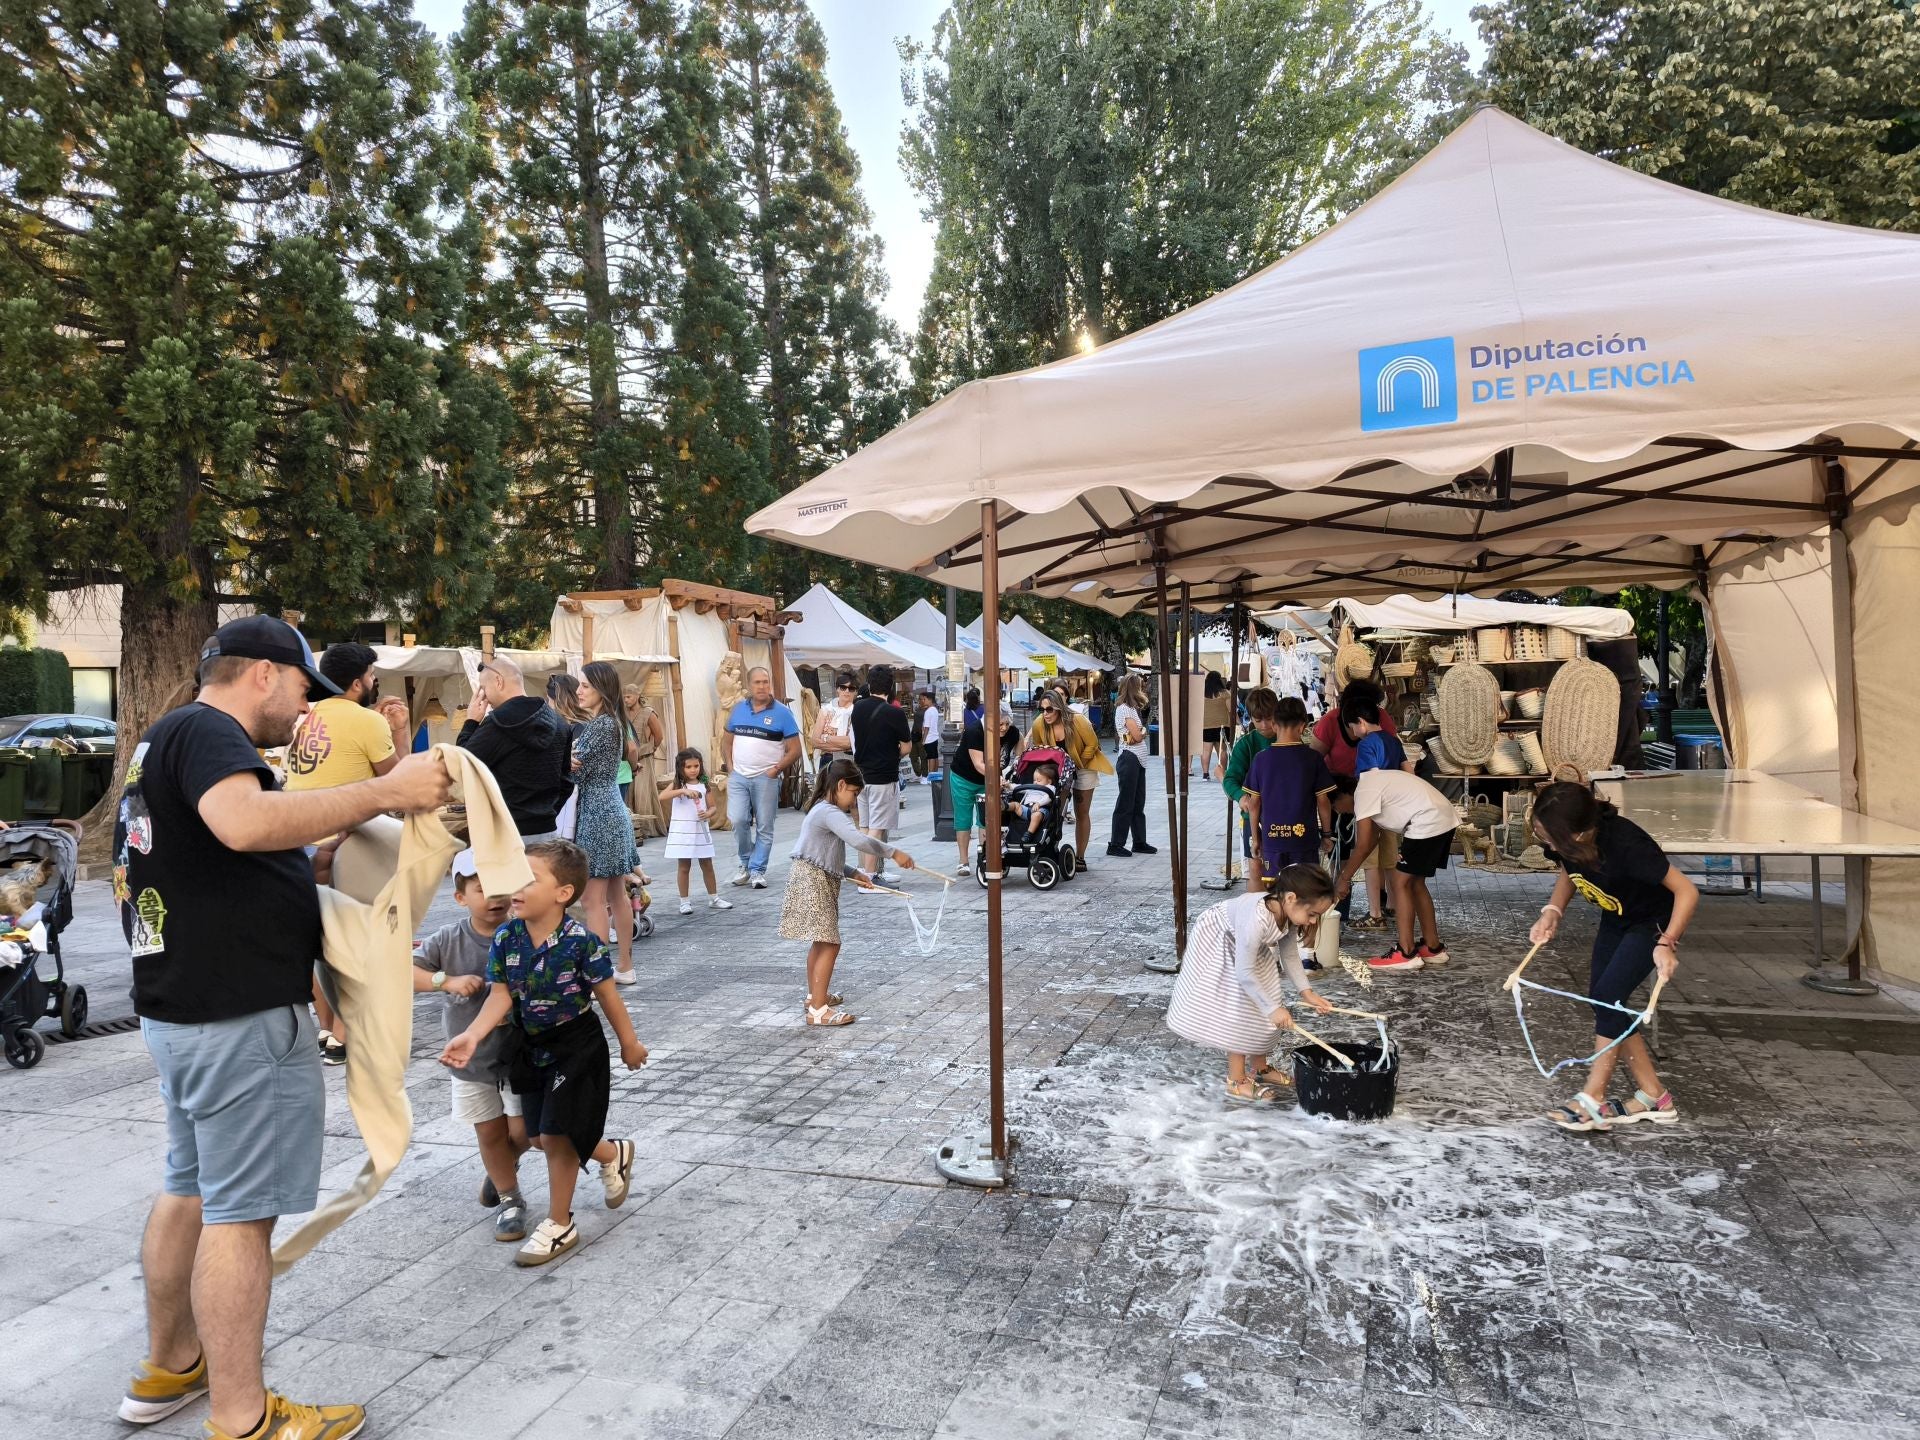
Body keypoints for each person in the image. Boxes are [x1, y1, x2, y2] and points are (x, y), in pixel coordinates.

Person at [116, 615, 450, 1437]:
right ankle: (243, 1417)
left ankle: (170, 1366)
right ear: (263, 673)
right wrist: (384, 792)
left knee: (191, 1189)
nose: (306, 708)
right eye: (304, 688)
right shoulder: (211, 732)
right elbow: (243, 823)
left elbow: (230, 843)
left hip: (186, 1010)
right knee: (239, 1214)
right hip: (238, 1018)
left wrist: (325, 841)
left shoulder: (166, 737)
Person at [439, 840, 648, 1266]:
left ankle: (560, 1222)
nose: (514, 888)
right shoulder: (506, 937)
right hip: (529, 1045)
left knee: (556, 1136)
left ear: (562, 893)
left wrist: (629, 1042)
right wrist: (473, 1035)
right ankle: (613, 1153)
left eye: (529, 880)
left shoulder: (582, 942)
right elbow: (500, 995)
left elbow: (608, 996)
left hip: (576, 1045)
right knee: (536, 1137)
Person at [1528, 781, 1695, 1132]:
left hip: (1652, 923)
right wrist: (1553, 910)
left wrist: (1667, 942)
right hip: (1617, 917)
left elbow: (1686, 891)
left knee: (1608, 997)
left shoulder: (1626, 844)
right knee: (1604, 1001)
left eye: (1551, 838)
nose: (1547, 844)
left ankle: (1593, 1097)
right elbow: (1569, 868)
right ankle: (1654, 1095)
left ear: (1581, 833)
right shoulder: (1565, 840)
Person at [413, 850, 530, 1243]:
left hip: (520, 1056)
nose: (494, 898)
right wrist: (444, 981)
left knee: (525, 1131)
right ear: (460, 897)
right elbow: (404, 970)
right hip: (471, 1060)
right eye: (482, 889)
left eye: (501, 888)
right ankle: (510, 1198)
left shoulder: (525, 933)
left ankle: (504, 1164)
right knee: (489, 1132)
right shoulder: (448, 939)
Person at [1165, 866, 1337, 1102]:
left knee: (1268, 994)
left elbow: (1289, 956)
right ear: (1290, 898)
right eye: (1313, 914)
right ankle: (1236, 1080)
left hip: (1245, 946)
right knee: (1242, 1006)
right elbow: (1244, 972)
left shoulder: (1287, 913)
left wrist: (1306, 993)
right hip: (1219, 938)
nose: (1313, 920)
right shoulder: (1258, 918)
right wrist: (1271, 1009)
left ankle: (1260, 1068)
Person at [780, 758, 917, 1027]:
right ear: (841, 785)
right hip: (813, 882)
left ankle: (815, 996)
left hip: (812, 878)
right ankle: (818, 1011)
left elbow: (823, 855)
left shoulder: (822, 810)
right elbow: (858, 840)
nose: (854, 801)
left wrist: (854, 873)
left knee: (822, 940)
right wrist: (893, 852)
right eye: (854, 793)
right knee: (830, 942)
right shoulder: (829, 812)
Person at [1329, 767, 1457, 972]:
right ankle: (1433, 948)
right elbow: (1372, 840)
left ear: (1343, 795)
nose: (1339, 812)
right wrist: (1346, 877)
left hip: (1427, 820)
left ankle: (1406, 952)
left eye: (1335, 806)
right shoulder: (1370, 785)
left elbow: (1363, 845)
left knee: (1400, 883)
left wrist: (1344, 879)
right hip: (1441, 816)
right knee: (1415, 883)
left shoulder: (1363, 793)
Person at [1310, 679, 1400, 929]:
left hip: (1373, 796)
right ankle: (1340, 909)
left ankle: (1384, 907)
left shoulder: (1380, 721)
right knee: (1339, 850)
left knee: (1374, 853)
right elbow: (1313, 762)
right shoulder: (1329, 722)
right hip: (1339, 793)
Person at [571, 662, 639, 984]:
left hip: (598, 811)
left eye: (585, 685)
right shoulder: (614, 722)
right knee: (616, 896)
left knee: (592, 900)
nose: (578, 691)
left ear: (601, 688)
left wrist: (565, 761)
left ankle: (599, 973)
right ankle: (624, 966)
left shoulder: (600, 725)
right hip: (612, 807)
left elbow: (575, 770)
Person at [457, 653, 572, 842]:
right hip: (546, 832)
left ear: (498, 681)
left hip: (505, 834)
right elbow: (566, 782)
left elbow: (463, 766)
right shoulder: (559, 723)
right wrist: (545, 814)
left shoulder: (497, 724)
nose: (484, 698)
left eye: (483, 689)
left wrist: (471, 722)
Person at [1243, 697, 1336, 891]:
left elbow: (1254, 804)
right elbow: (1323, 801)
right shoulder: (1313, 758)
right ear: (1302, 727)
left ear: (1274, 725)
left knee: (1275, 892)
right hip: (1304, 841)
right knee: (1305, 892)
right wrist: (1327, 835)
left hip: (1272, 840)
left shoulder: (1261, 760)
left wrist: (1256, 839)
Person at [724, 666, 801, 888]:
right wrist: (730, 766)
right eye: (757, 682)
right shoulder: (738, 709)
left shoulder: (782, 713)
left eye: (765, 682)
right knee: (738, 820)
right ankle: (746, 862)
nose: (762, 686)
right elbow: (726, 740)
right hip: (739, 776)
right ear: (749, 685)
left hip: (766, 777)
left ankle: (757, 870)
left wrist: (776, 769)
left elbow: (795, 750)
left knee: (765, 826)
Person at [1025, 685, 1112, 869]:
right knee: (1055, 811)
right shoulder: (1039, 723)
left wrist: (1078, 764)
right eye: (1042, 709)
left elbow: (1092, 744)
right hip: (1058, 770)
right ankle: (1050, 851)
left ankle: (1080, 857)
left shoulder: (1077, 720)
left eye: (1049, 709)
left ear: (1059, 707)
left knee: (1081, 812)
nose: (1045, 713)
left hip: (1084, 765)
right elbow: (1041, 751)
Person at [850, 664, 913, 887]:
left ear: (869, 684)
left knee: (865, 826)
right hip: (883, 776)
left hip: (861, 775)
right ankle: (869, 877)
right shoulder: (894, 713)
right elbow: (906, 747)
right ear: (891, 686)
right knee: (876, 828)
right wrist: (893, 753)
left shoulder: (857, 708)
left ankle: (869, 871)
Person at [661, 747, 732, 915]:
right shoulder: (678, 785)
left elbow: (713, 807)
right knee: (684, 866)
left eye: (696, 766)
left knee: (707, 864)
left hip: (700, 830)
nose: (693, 770)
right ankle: (684, 902)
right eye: (688, 767)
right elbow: (662, 796)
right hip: (683, 831)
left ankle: (714, 898)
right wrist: (682, 790)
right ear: (681, 767)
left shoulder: (704, 784)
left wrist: (707, 813)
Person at [949, 711, 1019, 875]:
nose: (1004, 728)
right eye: (1000, 724)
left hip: (990, 780)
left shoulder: (1012, 732)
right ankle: (963, 861)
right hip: (963, 778)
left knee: (987, 818)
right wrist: (996, 777)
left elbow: (1020, 748)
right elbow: (979, 764)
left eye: (1007, 724)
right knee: (963, 818)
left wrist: (1016, 768)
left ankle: (985, 857)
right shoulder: (975, 731)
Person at [1222, 688, 1281, 877]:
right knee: (1256, 868)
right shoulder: (1245, 745)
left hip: (1285, 816)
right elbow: (1230, 779)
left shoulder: (1289, 740)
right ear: (1251, 718)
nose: (1264, 725)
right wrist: (1240, 797)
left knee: (1285, 869)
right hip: (1253, 818)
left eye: (1269, 718)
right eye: (1258, 720)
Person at [1106, 673, 1156, 858]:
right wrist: (1142, 732)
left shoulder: (1132, 709)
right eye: (1140, 686)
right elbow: (1137, 735)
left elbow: (1137, 734)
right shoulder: (1125, 709)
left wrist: (1140, 733)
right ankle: (1116, 843)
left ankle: (1139, 841)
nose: (1142, 689)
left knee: (1137, 801)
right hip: (1130, 758)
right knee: (1126, 802)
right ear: (1134, 688)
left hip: (1137, 759)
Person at [619, 684, 668, 837]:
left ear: (637, 695)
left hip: (644, 758)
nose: (626, 700)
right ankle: (633, 829)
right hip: (628, 758)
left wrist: (650, 749)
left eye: (629, 697)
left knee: (643, 793)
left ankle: (647, 829)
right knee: (629, 792)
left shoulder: (648, 713)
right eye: (624, 697)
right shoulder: (623, 714)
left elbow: (659, 736)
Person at [1005, 759, 1059, 838]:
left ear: (1049, 781)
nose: (1035, 782)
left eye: (1039, 780)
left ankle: (1029, 833)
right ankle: (1005, 806)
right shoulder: (1032, 787)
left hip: (1041, 810)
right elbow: (1019, 787)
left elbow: (1048, 798)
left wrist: (1039, 803)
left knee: (1036, 815)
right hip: (1026, 810)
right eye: (1034, 780)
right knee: (1015, 805)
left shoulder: (1050, 787)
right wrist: (1009, 785)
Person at [813, 672, 857, 757]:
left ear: (855, 691)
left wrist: (825, 737)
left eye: (851, 688)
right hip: (826, 758)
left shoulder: (857, 712)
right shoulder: (825, 710)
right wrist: (843, 746)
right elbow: (815, 741)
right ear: (837, 689)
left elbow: (850, 743)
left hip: (850, 758)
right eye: (843, 687)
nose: (847, 691)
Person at [1198, 670, 1232, 780]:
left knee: (1205, 750)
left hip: (1206, 725)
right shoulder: (1225, 693)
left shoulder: (1201, 693)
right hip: (1222, 726)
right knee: (1222, 750)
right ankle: (1223, 772)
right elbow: (1230, 710)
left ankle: (1205, 774)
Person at [916, 690, 940, 780]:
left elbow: (926, 727)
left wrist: (923, 739)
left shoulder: (928, 711)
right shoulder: (935, 710)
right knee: (935, 756)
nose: (923, 701)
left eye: (925, 699)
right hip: (934, 736)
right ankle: (935, 774)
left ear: (930, 700)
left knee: (931, 757)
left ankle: (930, 776)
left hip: (929, 738)